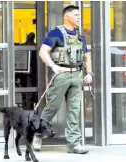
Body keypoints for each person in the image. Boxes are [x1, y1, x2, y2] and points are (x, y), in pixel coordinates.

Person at [33, 5, 93, 154]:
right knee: (52, 107)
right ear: (67, 16)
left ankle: (74, 144)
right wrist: (53, 66)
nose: (79, 18)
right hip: (61, 75)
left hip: (77, 76)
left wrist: (90, 74)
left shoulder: (80, 36)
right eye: (76, 15)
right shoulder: (56, 33)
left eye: (79, 15)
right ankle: (38, 134)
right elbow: (43, 52)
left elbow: (87, 56)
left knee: (75, 110)